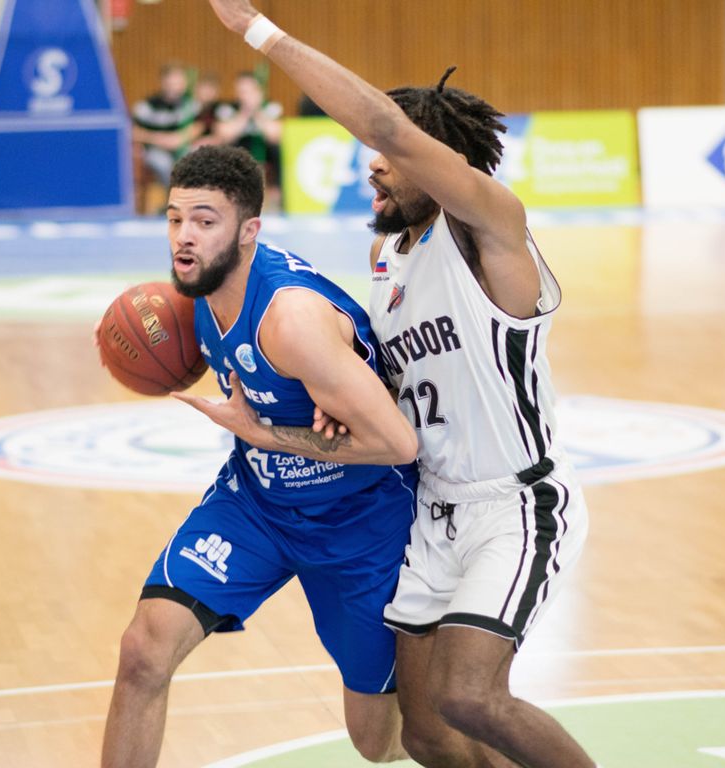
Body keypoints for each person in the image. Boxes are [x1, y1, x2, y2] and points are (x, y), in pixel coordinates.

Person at [204, 3, 594, 767]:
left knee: (471, 697)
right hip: (435, 511)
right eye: (373, 158)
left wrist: (258, 30)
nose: (372, 167)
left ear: (440, 162)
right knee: (427, 734)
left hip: (517, 505)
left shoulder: (488, 228)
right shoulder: (388, 264)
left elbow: (388, 128)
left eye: (388, 157)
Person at [100, 144, 419, 768]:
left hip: (360, 521)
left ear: (249, 231)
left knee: (378, 742)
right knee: (143, 652)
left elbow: (398, 444)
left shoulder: (290, 319)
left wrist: (267, 435)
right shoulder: (193, 293)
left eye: (204, 221)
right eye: (175, 218)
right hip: (257, 506)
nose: (184, 237)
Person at [130, 62, 200, 187]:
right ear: (163, 83)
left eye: (178, 83)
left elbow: (197, 128)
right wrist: (159, 139)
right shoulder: (146, 106)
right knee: (162, 163)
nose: (175, 88)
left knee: (195, 159)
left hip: (183, 148)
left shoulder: (191, 105)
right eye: (171, 84)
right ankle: (172, 195)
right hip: (155, 150)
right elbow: (133, 132)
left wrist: (178, 140)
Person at [213, 72, 283, 187]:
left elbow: (275, 136)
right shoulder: (227, 108)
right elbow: (225, 136)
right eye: (242, 92)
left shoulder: (271, 107)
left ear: (259, 91)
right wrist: (245, 112)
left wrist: (257, 112)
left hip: (265, 153)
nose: (246, 96)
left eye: (250, 91)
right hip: (237, 154)